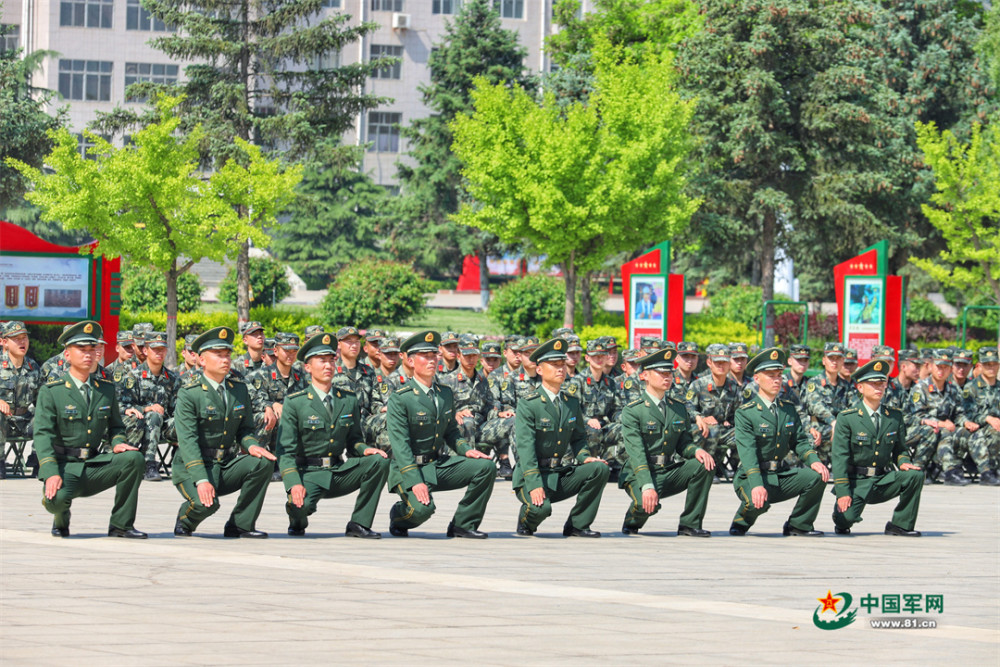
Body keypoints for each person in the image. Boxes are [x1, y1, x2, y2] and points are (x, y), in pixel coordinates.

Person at [33, 321, 146, 538]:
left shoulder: (105, 389)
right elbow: (42, 435)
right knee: (55, 501)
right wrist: (50, 473)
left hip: (94, 465)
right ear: (67, 355)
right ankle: (61, 517)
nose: (88, 354)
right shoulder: (52, 392)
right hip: (65, 467)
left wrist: (117, 442)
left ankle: (121, 525)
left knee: (134, 459)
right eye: (81, 350)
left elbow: (115, 426)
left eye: (91, 350)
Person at [277, 333, 390, 537]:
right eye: (322, 361)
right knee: (299, 507)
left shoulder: (347, 399)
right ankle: (297, 518)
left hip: (339, 471)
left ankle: (359, 523)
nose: (328, 366)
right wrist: (293, 483)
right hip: (309, 473)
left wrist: (366, 450)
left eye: (331, 360)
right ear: (308, 367)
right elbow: (285, 452)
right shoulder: (295, 403)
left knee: (378, 461)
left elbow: (354, 440)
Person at [385, 331, 495, 538]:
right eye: (424, 356)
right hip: (408, 467)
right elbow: (400, 446)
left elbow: (451, 431)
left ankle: (463, 524)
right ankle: (398, 515)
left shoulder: (444, 393)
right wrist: (415, 480)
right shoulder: (401, 398)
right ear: (410, 360)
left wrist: (466, 450)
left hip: (436, 465)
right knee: (421, 510)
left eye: (433, 355)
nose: (431, 360)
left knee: (485, 467)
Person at [172, 327, 276, 538]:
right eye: (218, 355)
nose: (225, 359)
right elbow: (188, 442)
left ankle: (241, 524)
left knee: (263, 462)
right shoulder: (189, 394)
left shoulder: (238, 389)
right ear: (202, 360)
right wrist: (201, 480)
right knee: (208, 505)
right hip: (193, 466)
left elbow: (245, 430)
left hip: (225, 464)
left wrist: (252, 445)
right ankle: (185, 518)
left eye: (227, 354)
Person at [513, 338, 609, 537]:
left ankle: (578, 524)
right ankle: (525, 520)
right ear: (539, 370)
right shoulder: (529, 404)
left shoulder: (570, 402)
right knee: (541, 509)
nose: (560, 369)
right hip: (532, 474)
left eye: (562, 365)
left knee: (598, 468)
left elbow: (579, 438)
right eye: (554, 365)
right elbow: (525, 447)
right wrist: (534, 483)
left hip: (558, 473)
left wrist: (584, 457)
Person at [729, 348, 829, 537]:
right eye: (770, 376)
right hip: (752, 475)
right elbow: (748, 452)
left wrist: (813, 460)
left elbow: (799, 441)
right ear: (757, 379)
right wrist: (757, 484)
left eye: (779, 375)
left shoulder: (788, 410)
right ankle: (742, 519)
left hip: (780, 474)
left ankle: (799, 524)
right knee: (757, 502)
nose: (776, 380)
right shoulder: (746, 412)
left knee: (816, 477)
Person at [619, 348, 714, 537]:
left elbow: (683, 443)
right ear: (645, 375)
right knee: (646, 506)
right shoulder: (633, 411)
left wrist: (695, 451)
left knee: (704, 465)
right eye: (661, 373)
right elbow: (636, 453)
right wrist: (647, 486)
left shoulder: (677, 408)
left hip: (667, 471)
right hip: (640, 472)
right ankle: (632, 519)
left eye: (669, 373)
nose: (667, 377)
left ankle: (690, 523)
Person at [831, 359, 923, 536]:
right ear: (860, 388)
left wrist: (903, 462)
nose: (878, 388)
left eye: (881, 384)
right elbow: (839, 457)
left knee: (915, 475)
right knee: (846, 519)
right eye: (873, 384)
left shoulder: (894, 416)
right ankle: (841, 516)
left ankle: (901, 524)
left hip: (882, 480)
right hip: (856, 482)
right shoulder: (847, 418)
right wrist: (843, 492)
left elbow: (900, 449)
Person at [118, 331, 179, 482]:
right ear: (145, 351)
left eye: (162, 349)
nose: (159, 353)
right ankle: (149, 463)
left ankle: (185, 462)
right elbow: (121, 405)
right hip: (140, 425)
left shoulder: (172, 378)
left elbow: (176, 408)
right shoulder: (133, 377)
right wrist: (145, 409)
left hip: (163, 427)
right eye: (155, 349)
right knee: (154, 415)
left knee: (185, 420)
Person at [908, 348, 969, 485]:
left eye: (945, 367)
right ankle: (949, 471)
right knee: (942, 431)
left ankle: (985, 470)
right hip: (918, 430)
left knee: (968, 433)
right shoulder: (921, 388)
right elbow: (916, 416)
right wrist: (940, 423)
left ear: (950, 368)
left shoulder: (953, 390)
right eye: (938, 367)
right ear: (931, 366)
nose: (941, 371)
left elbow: (958, 414)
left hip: (944, 429)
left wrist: (966, 423)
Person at [685, 343, 741, 479]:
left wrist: (732, 422)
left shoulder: (734, 387)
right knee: (712, 429)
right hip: (701, 429)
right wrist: (700, 417)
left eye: (725, 362)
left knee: (745, 434)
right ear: (709, 363)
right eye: (717, 362)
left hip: (723, 430)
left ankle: (736, 468)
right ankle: (707, 469)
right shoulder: (699, 384)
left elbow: (739, 412)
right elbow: (687, 407)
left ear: (729, 364)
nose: (721, 366)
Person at [0, 321, 41, 478]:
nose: (22, 342)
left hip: (24, 421)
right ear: (4, 342)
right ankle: (0, 462)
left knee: (45, 414)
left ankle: (37, 460)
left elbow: (41, 400)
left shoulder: (33, 367)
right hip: (4, 421)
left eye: (24, 338)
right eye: (16, 339)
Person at [803, 343, 851, 464]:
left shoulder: (847, 386)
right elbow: (816, 406)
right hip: (820, 433)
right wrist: (833, 422)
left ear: (843, 361)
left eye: (838, 358)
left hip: (840, 433)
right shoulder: (814, 383)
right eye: (831, 358)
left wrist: (840, 426)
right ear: (824, 361)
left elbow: (854, 408)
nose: (834, 362)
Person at [966, 347, 1000, 485]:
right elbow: (967, 412)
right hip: (977, 429)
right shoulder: (971, 387)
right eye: (987, 364)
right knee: (994, 431)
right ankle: (988, 471)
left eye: (994, 364)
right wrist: (987, 418)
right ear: (980, 365)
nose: (991, 367)